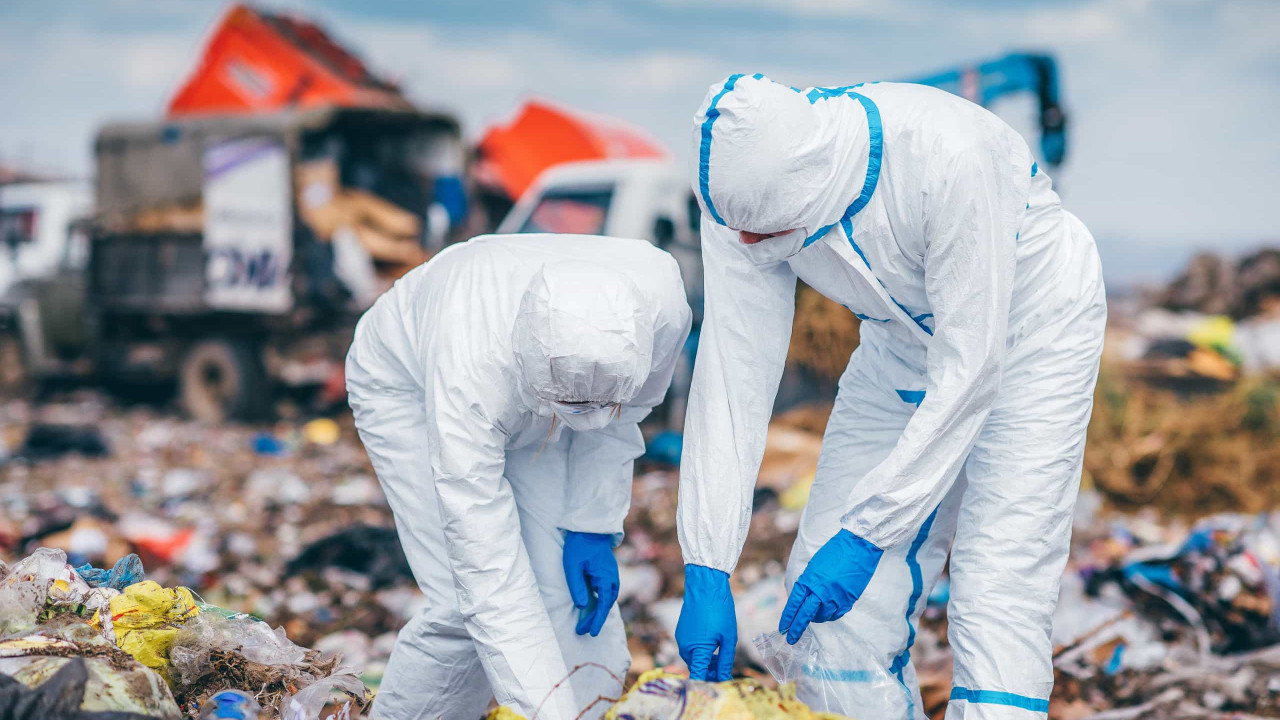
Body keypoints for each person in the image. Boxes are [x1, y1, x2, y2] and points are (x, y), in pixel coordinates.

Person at [674, 74, 1106, 719]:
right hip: (899, 341)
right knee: (824, 607)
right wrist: (706, 563)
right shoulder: (741, 202)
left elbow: (972, 364)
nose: (747, 247)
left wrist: (872, 532)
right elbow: (733, 373)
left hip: (1031, 330)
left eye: (765, 236)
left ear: (811, 188)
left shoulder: (947, 153)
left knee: (996, 586)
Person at [347, 233, 692, 720]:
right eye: (571, 406)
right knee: (459, 604)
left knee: (561, 594)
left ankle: (588, 710)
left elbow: (618, 418)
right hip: (407, 383)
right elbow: (488, 569)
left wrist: (592, 522)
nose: (587, 417)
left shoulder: (660, 311)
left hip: (536, 394)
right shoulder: (471, 367)